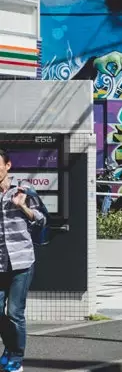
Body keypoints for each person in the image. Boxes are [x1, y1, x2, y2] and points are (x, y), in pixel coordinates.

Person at [0, 148, 45, 372]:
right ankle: (9, 348)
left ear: (8, 166)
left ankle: (16, 358)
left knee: (15, 312)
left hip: (22, 262)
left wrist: (23, 206)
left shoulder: (23, 189)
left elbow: (41, 220)